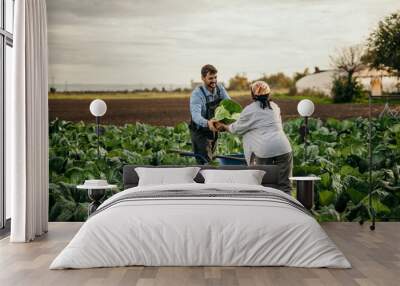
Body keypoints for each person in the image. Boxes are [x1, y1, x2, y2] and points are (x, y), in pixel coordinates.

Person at [217, 81, 293, 194]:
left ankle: (265, 208)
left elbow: (236, 129)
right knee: (285, 185)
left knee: (264, 184)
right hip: (284, 148)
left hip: (265, 150)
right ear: (269, 94)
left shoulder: (250, 110)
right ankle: (287, 209)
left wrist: (224, 126)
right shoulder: (275, 107)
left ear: (253, 95)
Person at [189, 64, 231, 164]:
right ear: (203, 78)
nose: (214, 81)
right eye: (210, 78)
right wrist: (208, 123)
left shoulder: (220, 89)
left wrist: (227, 121)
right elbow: (196, 116)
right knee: (205, 162)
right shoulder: (197, 94)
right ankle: (202, 179)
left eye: (215, 77)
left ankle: (211, 177)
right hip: (200, 132)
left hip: (213, 129)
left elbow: (229, 104)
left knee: (213, 158)